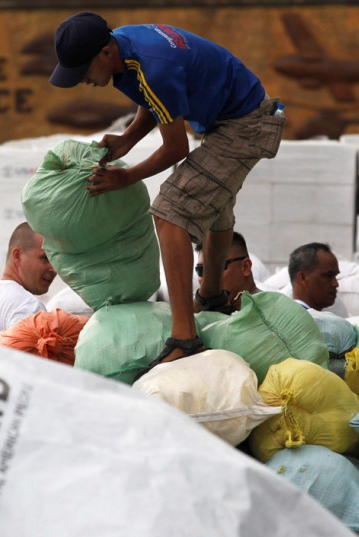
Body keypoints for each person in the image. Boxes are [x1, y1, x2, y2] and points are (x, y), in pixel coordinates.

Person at [49, 12, 285, 367]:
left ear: (105, 53)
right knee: (213, 205)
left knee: (170, 212)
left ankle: (185, 337)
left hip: (245, 125)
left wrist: (127, 177)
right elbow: (156, 102)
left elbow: (177, 149)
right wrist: (127, 140)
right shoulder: (127, 47)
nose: (83, 80)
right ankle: (211, 298)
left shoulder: (151, 66)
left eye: (83, 71)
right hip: (232, 117)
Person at [0, 222, 57, 337]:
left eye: (55, 260)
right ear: (17, 255)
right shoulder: (28, 307)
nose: (53, 269)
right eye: (45, 258)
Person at [195, 231, 260, 312]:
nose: (207, 279)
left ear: (245, 267)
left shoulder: (270, 311)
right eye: (201, 270)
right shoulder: (202, 316)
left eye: (216, 269)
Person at [288, 242, 340, 311]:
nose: (335, 284)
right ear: (303, 278)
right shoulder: (302, 319)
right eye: (328, 276)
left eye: (335, 276)